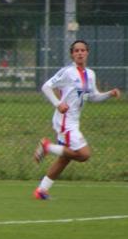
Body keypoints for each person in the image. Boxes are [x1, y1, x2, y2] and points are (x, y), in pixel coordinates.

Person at [33, 40, 121, 199]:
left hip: (74, 121)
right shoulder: (67, 72)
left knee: (65, 158)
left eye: (83, 50)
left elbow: (93, 97)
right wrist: (58, 103)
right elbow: (46, 86)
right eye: (76, 51)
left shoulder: (90, 74)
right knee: (84, 154)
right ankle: (47, 147)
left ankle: (41, 191)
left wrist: (109, 94)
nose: (80, 53)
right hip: (65, 121)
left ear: (87, 53)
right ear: (72, 54)